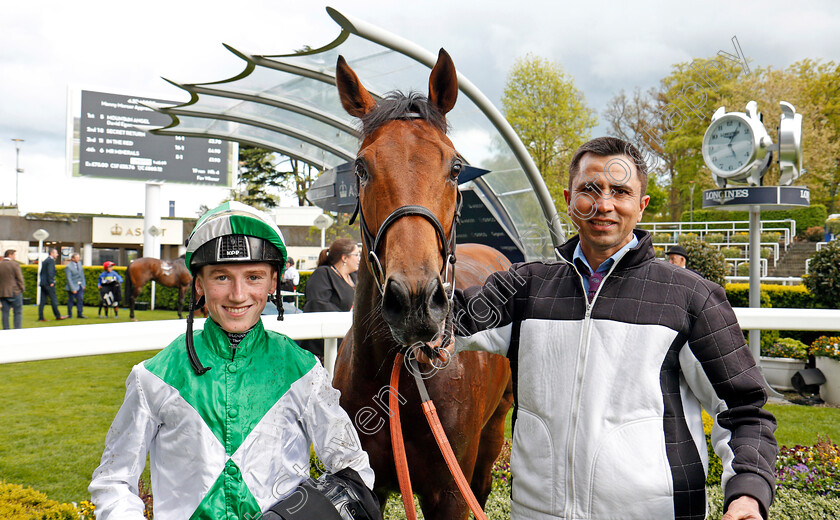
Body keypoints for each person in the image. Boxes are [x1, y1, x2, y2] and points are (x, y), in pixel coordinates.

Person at [443, 137, 777, 520]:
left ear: (641, 205)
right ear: (570, 201)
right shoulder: (523, 287)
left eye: (620, 191)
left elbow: (743, 408)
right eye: (590, 189)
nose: (604, 205)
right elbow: (436, 323)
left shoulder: (690, 296)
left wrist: (748, 492)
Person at [89, 201, 379, 520]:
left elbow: (352, 468)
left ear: (272, 283)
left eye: (253, 277)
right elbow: (113, 480)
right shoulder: (152, 377)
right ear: (199, 284)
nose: (238, 295)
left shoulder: (305, 371)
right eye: (222, 277)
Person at [300, 238, 360, 357]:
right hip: (323, 347)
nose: (359, 258)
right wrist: (349, 317)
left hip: (347, 342)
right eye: (357, 254)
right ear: (344, 258)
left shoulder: (354, 277)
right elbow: (317, 304)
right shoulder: (323, 274)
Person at [38, 248, 66, 321]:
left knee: (42, 301)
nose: (57, 254)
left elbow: (41, 273)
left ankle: (41, 317)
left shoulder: (45, 261)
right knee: (53, 300)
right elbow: (50, 272)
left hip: (43, 283)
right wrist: (51, 282)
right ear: (51, 253)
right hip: (48, 284)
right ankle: (58, 315)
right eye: (56, 253)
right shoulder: (51, 261)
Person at [0, 249, 25, 330]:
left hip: (3, 292)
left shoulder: (0, 264)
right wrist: (22, 288)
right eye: (14, 255)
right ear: (10, 255)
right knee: (17, 312)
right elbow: (19, 278)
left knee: (5, 312)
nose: (15, 257)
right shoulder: (14, 264)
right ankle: (17, 330)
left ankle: (6, 329)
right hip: (14, 291)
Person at [65, 253, 87, 318]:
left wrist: (83, 284)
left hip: (80, 285)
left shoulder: (80, 264)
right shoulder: (68, 267)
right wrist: (73, 289)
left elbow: (82, 275)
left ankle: (80, 314)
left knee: (80, 299)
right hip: (73, 286)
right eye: (77, 258)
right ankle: (70, 314)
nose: (78, 259)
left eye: (79, 257)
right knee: (71, 300)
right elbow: (69, 279)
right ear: (73, 258)